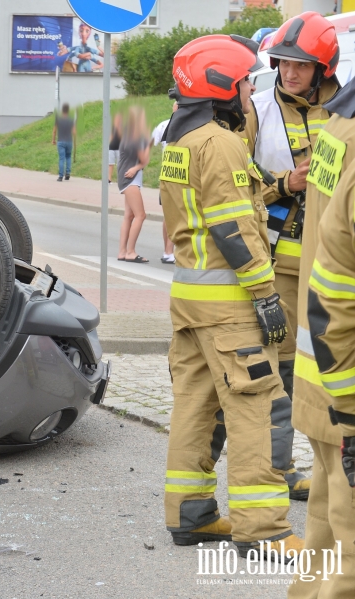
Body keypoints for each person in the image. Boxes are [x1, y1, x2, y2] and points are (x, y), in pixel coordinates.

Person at [160, 33, 302, 561]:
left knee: (195, 407)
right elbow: (233, 227)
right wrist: (266, 295)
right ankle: (263, 528)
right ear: (225, 86)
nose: (250, 94)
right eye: (245, 83)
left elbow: (233, 199)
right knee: (255, 409)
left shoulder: (183, 143)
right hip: (230, 306)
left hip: (191, 301)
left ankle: (189, 515)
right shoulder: (219, 144)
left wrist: (282, 184)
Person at [242, 11, 341, 502]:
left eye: (301, 65)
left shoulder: (343, 114)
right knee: (279, 370)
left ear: (323, 68)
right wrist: (285, 184)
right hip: (281, 264)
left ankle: (329, 472)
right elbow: (235, 185)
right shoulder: (257, 110)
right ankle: (277, 471)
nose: (289, 72)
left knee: (328, 370)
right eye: (283, 63)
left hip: (332, 267)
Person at [287, 80, 355, 597]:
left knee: (326, 538)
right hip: (347, 389)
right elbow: (339, 289)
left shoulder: (336, 127)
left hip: (325, 373)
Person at [117, 105, 150, 263]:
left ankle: (122, 251)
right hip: (130, 179)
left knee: (128, 216)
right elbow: (144, 160)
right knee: (140, 215)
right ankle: (130, 251)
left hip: (125, 178)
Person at [152, 102, 177, 264]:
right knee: (171, 216)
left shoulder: (163, 125)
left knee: (172, 216)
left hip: (173, 175)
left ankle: (170, 251)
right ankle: (168, 251)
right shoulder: (166, 126)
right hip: (172, 176)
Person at [52, 103, 75, 181]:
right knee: (68, 157)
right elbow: (74, 132)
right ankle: (67, 173)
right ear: (68, 111)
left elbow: (54, 131)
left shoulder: (58, 119)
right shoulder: (71, 120)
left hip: (61, 141)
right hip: (69, 141)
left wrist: (53, 140)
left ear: (62, 110)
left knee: (62, 158)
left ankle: (60, 176)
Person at [108, 113, 122, 183]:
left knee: (120, 164)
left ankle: (120, 179)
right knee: (110, 164)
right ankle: (109, 179)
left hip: (120, 148)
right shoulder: (113, 127)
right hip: (111, 147)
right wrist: (108, 144)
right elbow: (111, 136)